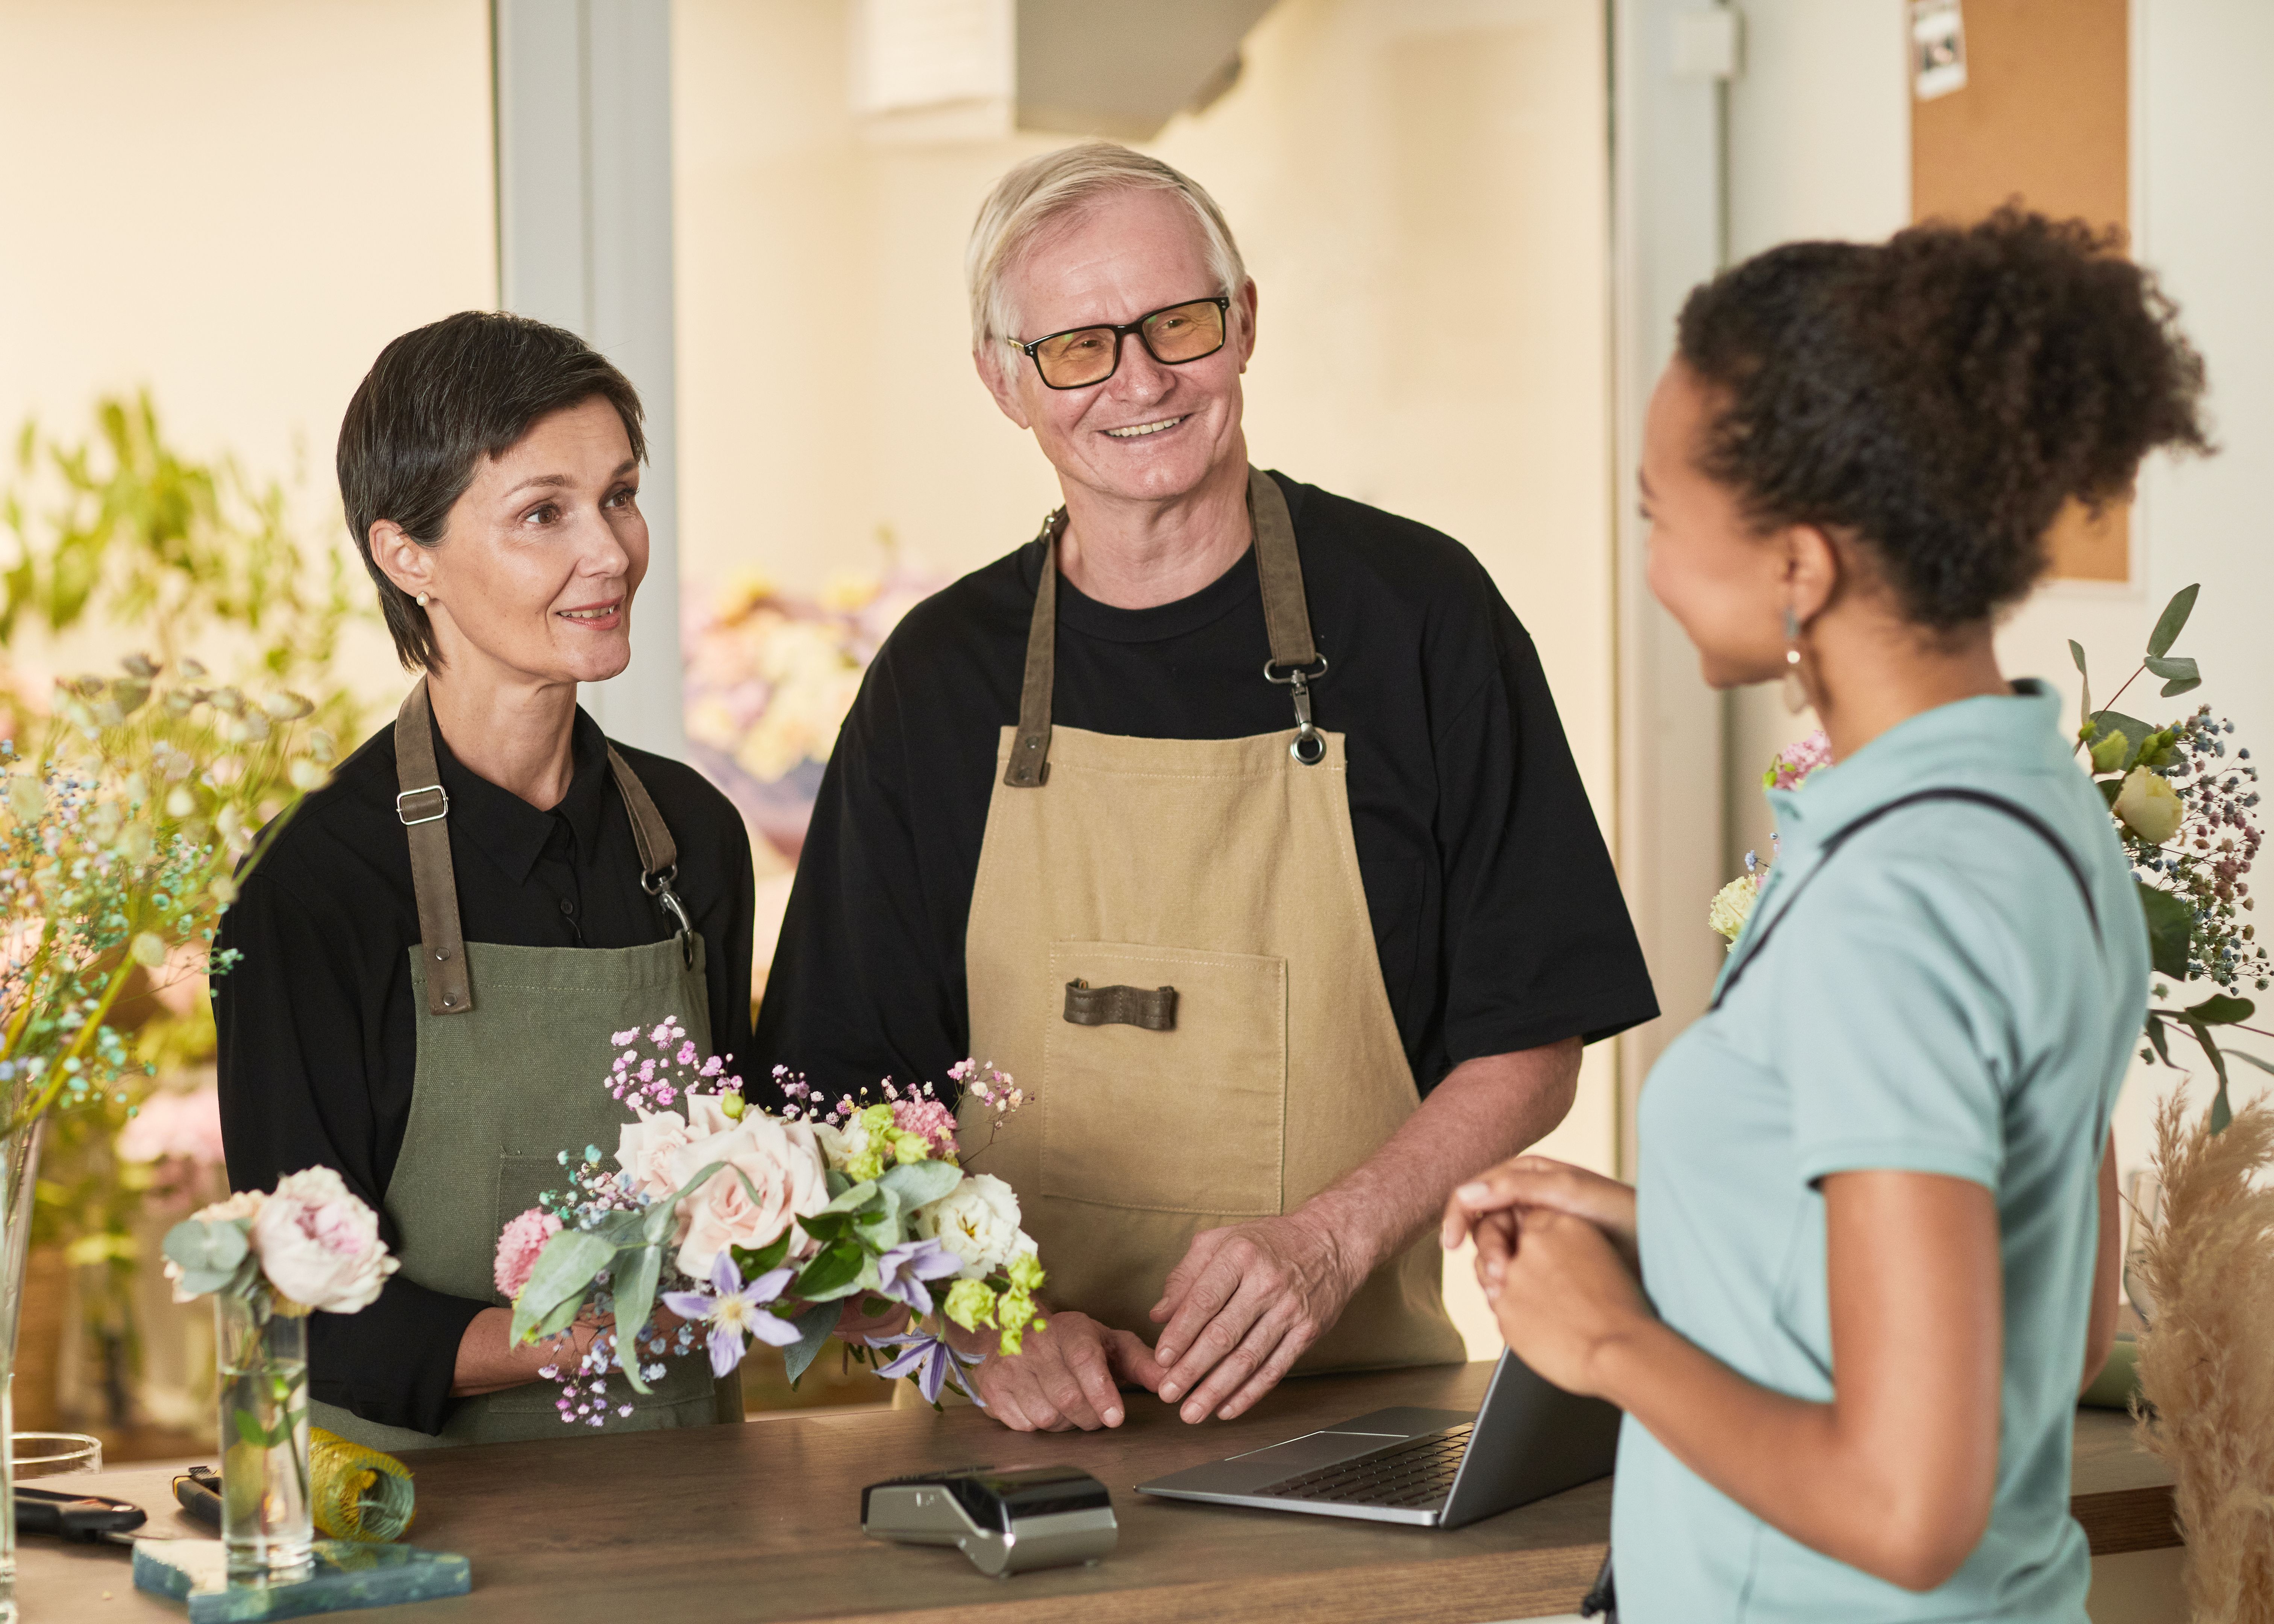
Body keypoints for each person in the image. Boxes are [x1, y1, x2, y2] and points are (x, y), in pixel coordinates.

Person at [756, 142, 1657, 1433]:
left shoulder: (1422, 616)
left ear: (1244, 325)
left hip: (1358, 1418)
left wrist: (1333, 1243)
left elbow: (1532, 1039)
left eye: (1177, 324)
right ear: (1006, 383)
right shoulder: (935, 683)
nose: (1141, 380)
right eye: (1078, 347)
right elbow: (834, 1105)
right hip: (1021, 1436)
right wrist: (969, 1318)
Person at [1446, 211, 2207, 1619]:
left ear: (1800, 568)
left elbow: (1908, 1512)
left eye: (1658, 517)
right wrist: (1649, 1221)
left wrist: (1607, 1341)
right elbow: (2057, 1307)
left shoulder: (1895, 909)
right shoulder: (2029, 804)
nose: (1654, 565)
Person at [217, 312, 757, 1449]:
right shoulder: (317, 881)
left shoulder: (693, 839)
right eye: (542, 514)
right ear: (405, 555)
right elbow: (300, 1304)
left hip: (694, 1498)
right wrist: (593, 1336)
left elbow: (751, 1183)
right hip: (419, 1528)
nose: (609, 551)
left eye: (619, 494)